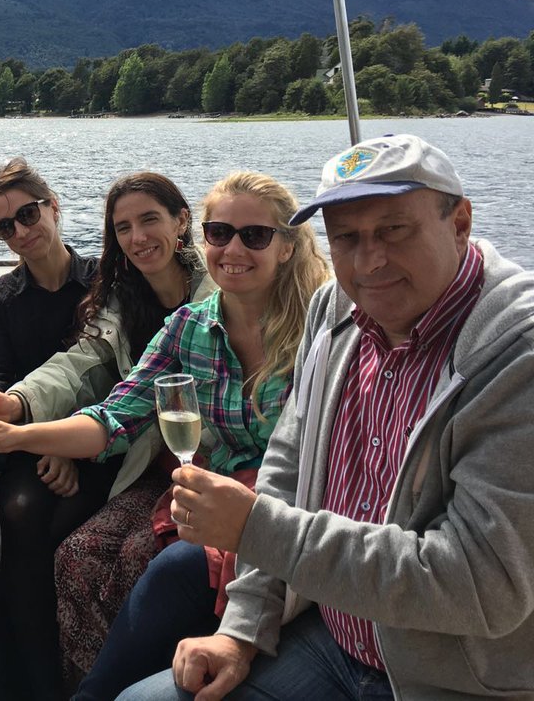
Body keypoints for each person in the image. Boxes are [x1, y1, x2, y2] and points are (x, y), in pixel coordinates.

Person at [122, 134, 534, 701]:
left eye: (394, 230)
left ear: (459, 222)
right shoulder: (336, 309)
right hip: (331, 640)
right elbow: (287, 469)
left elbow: (482, 585)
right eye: (346, 237)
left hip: (454, 679)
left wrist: (254, 528)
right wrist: (240, 631)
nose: (369, 262)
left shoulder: (516, 353)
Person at [63, 172, 328, 701]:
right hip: (216, 484)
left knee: (169, 565)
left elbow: (317, 457)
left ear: (287, 245)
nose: (233, 248)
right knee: (78, 553)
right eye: (220, 233)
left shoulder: (324, 327)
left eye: (254, 236)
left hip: (297, 498)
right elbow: (116, 414)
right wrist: (12, 435)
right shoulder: (190, 324)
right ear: (201, 236)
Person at [0, 171, 214, 678]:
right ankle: (70, 683)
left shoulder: (216, 294)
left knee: (140, 556)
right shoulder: (118, 297)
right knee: (77, 554)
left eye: (148, 220)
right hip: (134, 456)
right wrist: (18, 403)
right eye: (123, 228)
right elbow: (81, 364)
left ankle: (151, 683)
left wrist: (51, 436)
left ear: (182, 222)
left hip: (209, 462)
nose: (137, 238)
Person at [0, 157, 102, 701]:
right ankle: (35, 682)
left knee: (68, 518)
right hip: (26, 442)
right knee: (23, 508)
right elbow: (1, 387)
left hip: (103, 437)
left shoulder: (104, 281)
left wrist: (69, 446)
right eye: (5, 226)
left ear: (54, 207)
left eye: (28, 214)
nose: (21, 232)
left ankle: (79, 672)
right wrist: (48, 444)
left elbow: (117, 371)